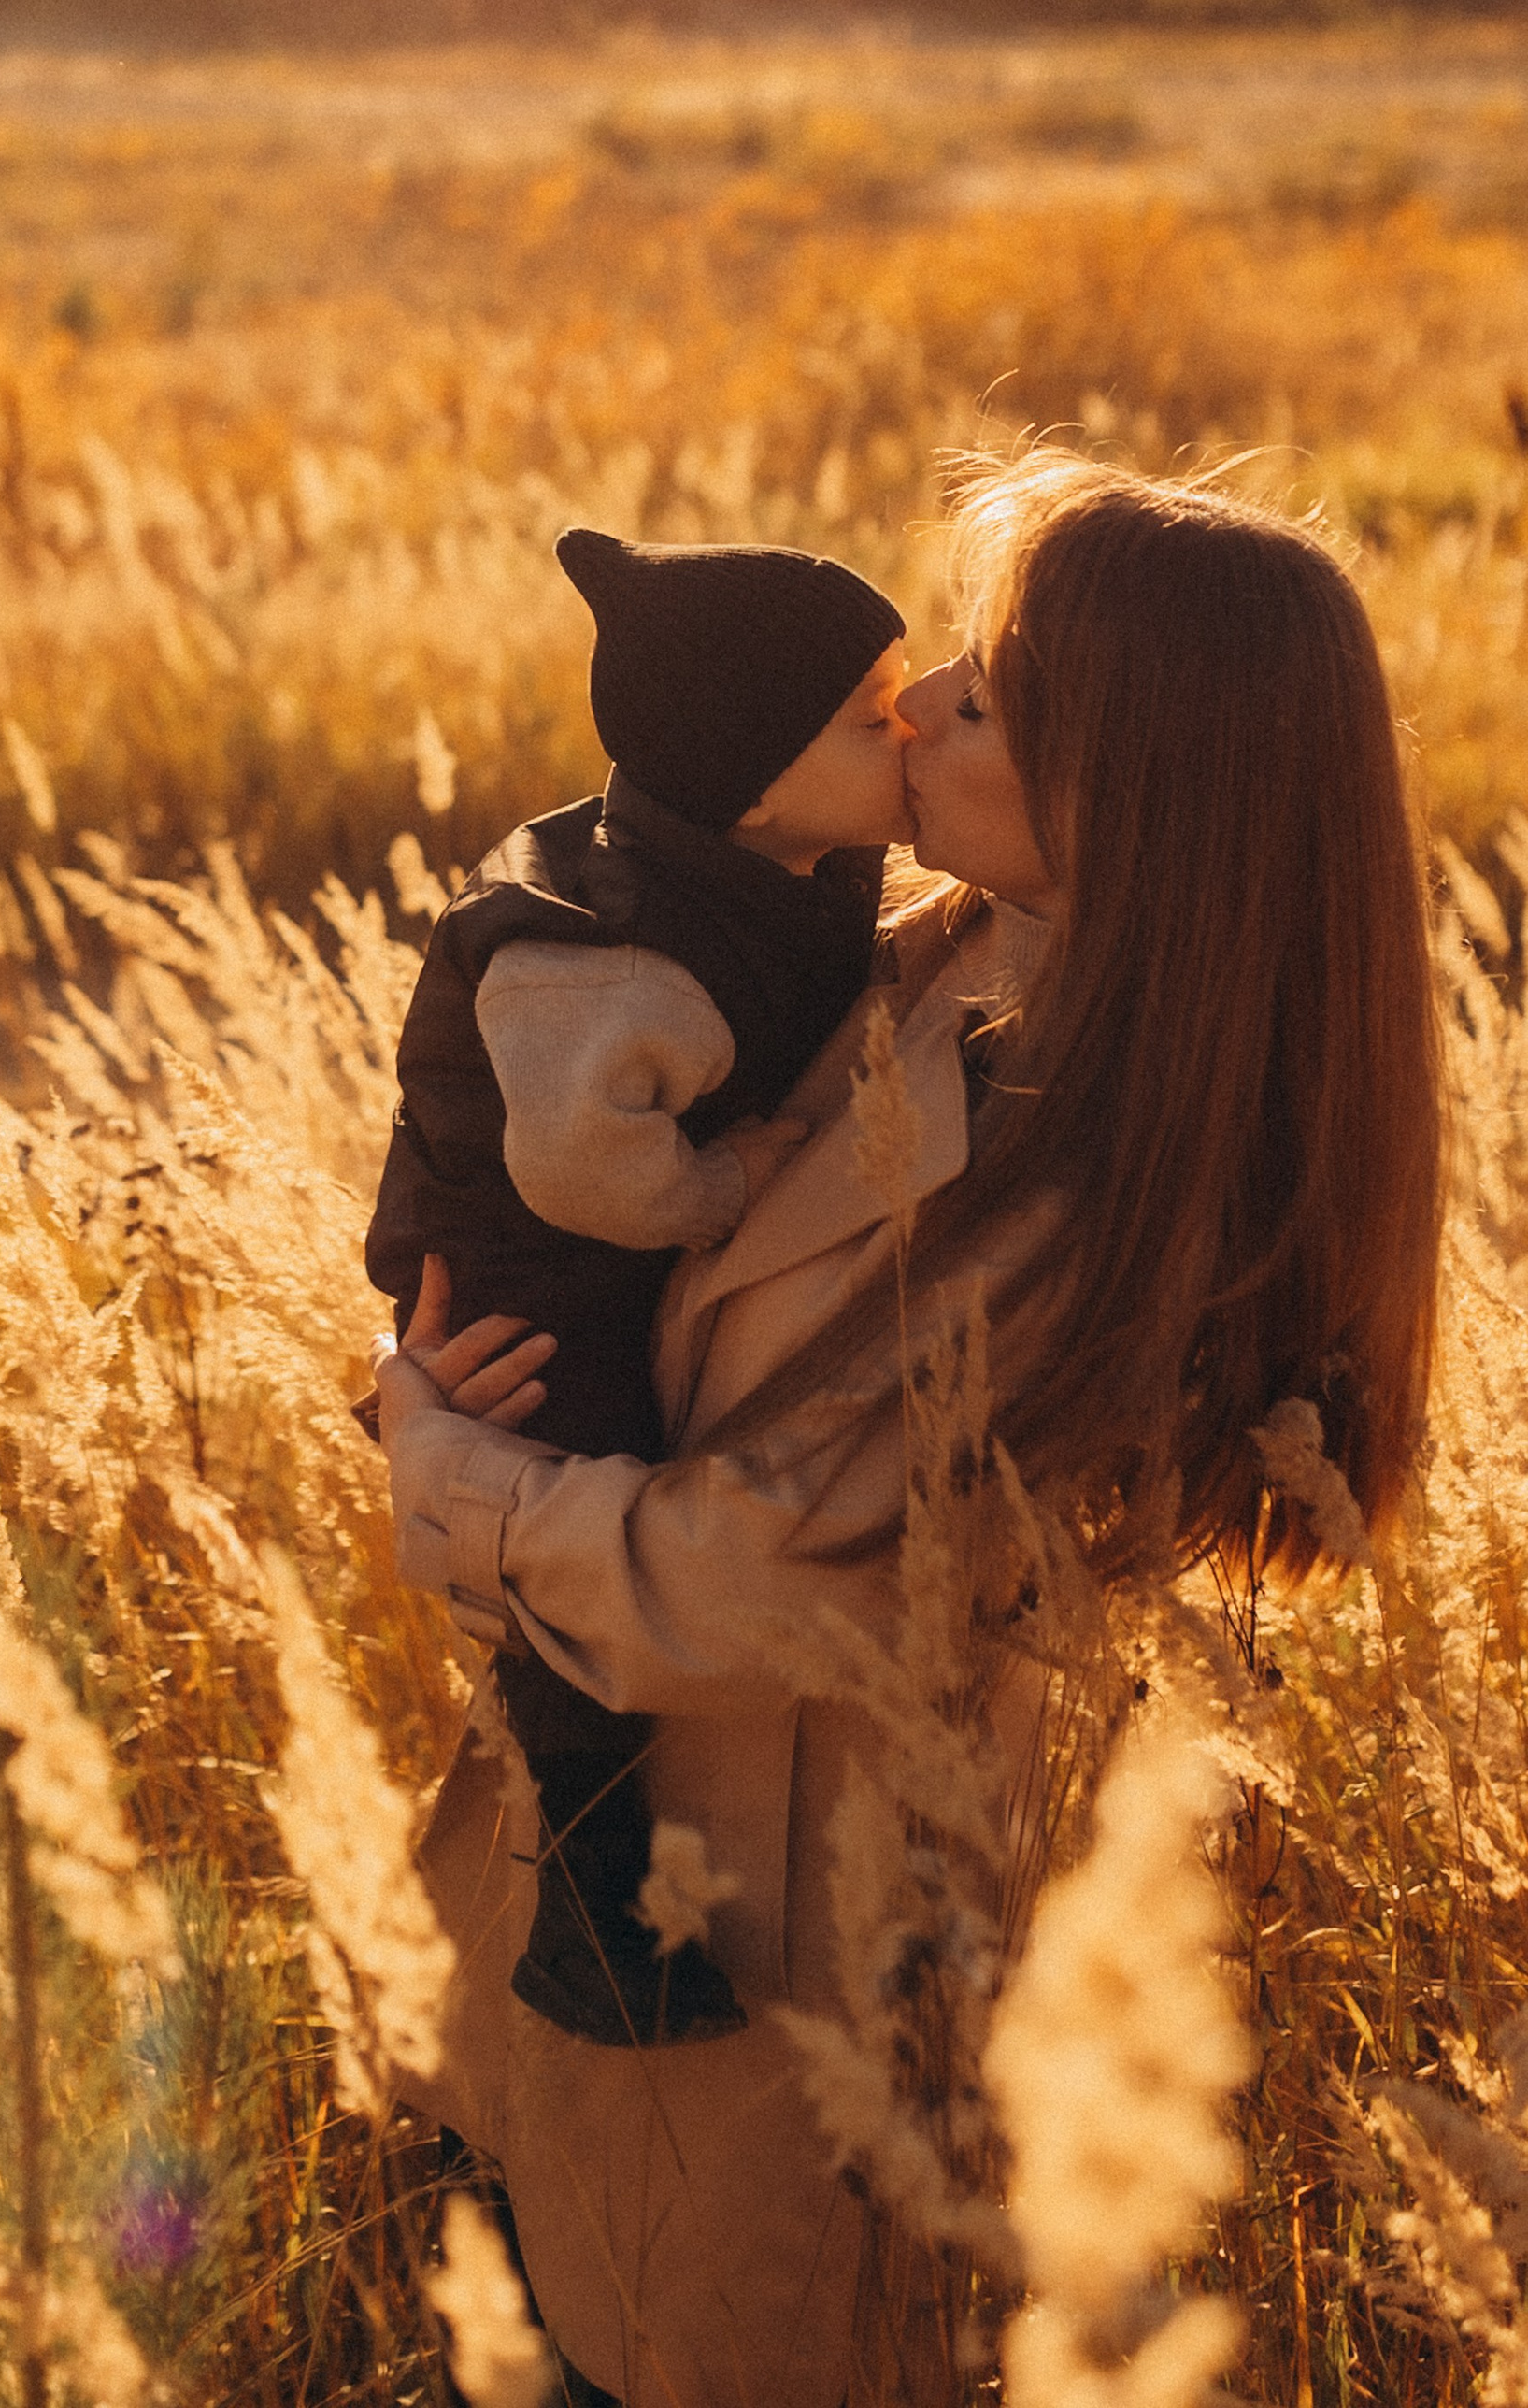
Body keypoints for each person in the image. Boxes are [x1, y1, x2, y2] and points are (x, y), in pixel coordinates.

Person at [374, 457, 1445, 2408]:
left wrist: (441, 1467)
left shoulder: (1090, 1180)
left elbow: (744, 1584)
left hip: (782, 1963)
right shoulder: (923, 949)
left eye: (990, 685)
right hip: (601, 1887)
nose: (921, 698)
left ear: (1145, 782)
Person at [366, 526, 909, 2045]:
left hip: (593, 1256)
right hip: (532, 1282)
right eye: (873, 715)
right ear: (750, 778)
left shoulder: (779, 864)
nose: (915, 715)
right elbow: (579, 1167)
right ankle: (590, 1903)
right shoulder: (617, 957)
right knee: (569, 1500)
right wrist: (728, 1189)